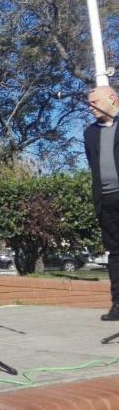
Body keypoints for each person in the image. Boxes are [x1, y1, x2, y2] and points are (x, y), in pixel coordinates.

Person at [84, 86, 119, 321]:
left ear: (112, 99)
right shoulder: (89, 133)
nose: (90, 106)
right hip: (106, 201)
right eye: (89, 102)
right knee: (115, 254)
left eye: (95, 101)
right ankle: (117, 305)